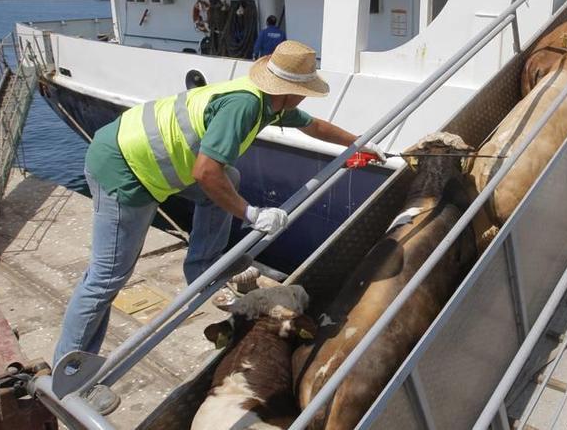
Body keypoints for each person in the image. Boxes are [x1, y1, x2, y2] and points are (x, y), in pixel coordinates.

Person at [53, 40, 385, 414]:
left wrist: (361, 143)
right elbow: (205, 172)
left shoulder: (267, 104)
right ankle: (69, 378)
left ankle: (202, 268)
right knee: (106, 278)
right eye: (305, 92)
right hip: (125, 168)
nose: (306, 99)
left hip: (144, 157)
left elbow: (316, 127)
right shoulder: (244, 107)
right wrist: (252, 214)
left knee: (232, 175)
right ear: (293, 92)